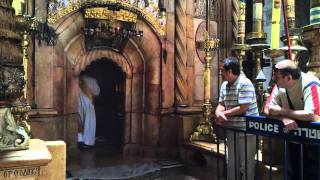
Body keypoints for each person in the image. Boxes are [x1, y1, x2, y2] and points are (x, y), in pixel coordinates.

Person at [264, 59, 320, 180]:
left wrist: (282, 111)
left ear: (288, 78)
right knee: (292, 174)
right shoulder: (279, 86)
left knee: (313, 174)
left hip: (313, 140)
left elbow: (313, 115)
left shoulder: (310, 83)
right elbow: (267, 109)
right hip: (293, 139)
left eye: (277, 77)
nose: (274, 79)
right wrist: (283, 118)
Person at [215, 57, 258, 180]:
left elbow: (243, 108)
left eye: (222, 70)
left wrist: (225, 115)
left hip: (246, 130)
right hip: (232, 129)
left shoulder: (245, 83)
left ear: (229, 72)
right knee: (231, 163)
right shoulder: (224, 85)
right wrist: (218, 111)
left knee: (246, 164)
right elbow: (222, 103)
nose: (221, 73)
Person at [78, 75, 100, 148]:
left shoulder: (78, 78)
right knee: (89, 122)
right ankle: (88, 142)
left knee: (79, 121)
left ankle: (80, 140)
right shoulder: (92, 79)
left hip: (77, 104)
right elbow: (97, 92)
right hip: (88, 104)